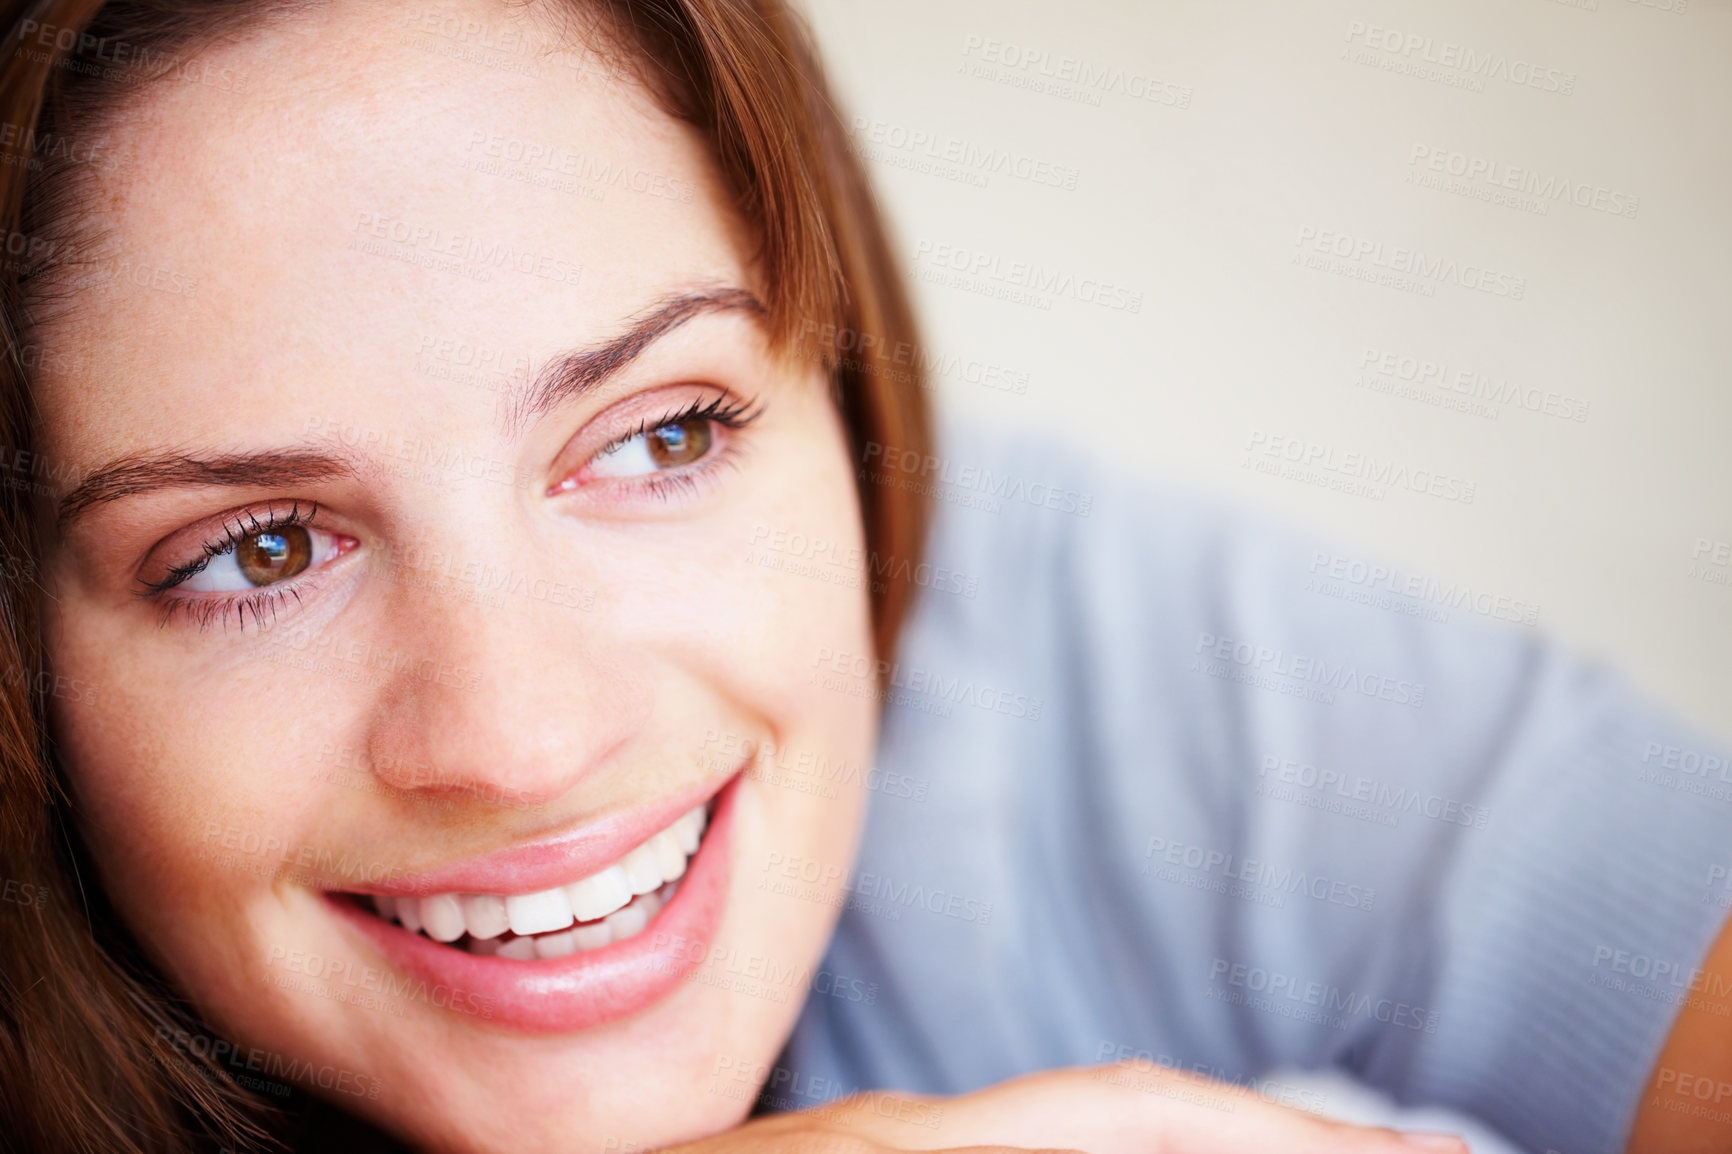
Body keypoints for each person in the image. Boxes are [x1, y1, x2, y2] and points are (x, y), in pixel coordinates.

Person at [0, 2, 1722, 1152]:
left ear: (839, 393)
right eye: (262, 551)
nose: (522, 738)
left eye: (659, 435)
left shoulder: (1033, 632)